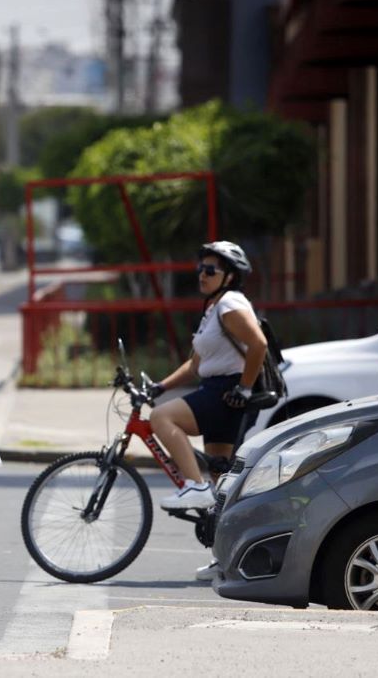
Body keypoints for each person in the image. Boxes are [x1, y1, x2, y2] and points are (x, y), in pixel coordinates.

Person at [148, 241, 267, 577]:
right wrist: (161, 386)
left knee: (162, 417)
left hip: (226, 392)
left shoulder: (230, 303)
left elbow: (258, 343)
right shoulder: (213, 309)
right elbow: (195, 364)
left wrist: (243, 388)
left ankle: (193, 485)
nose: (202, 273)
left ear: (229, 275)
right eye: (200, 268)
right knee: (223, 482)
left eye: (210, 269)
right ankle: (225, 562)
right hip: (216, 389)